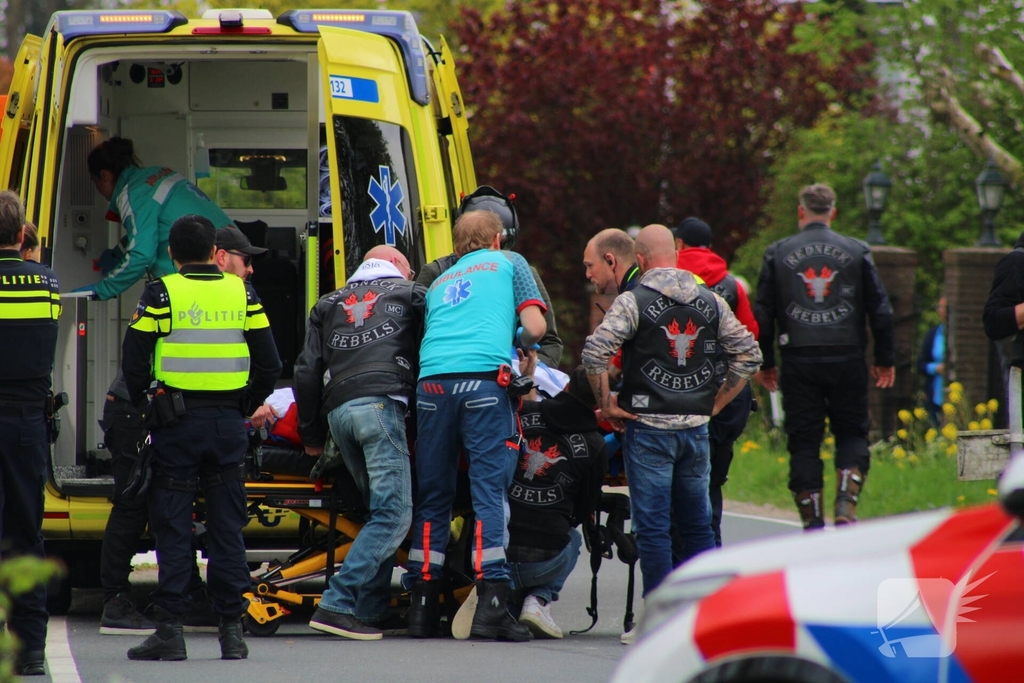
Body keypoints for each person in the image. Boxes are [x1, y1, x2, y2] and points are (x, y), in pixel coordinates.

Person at [121, 215, 281, 661]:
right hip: (228, 425)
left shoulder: (161, 293)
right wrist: (245, 404)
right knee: (227, 527)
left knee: (174, 525)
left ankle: (171, 631)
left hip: (177, 425)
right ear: (215, 252)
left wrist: (148, 403)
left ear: (171, 253)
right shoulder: (242, 292)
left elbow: (133, 361)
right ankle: (232, 633)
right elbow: (270, 362)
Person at [581, 225, 761, 619]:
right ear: (677, 256)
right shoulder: (711, 300)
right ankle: (707, 614)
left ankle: (660, 616)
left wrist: (607, 405)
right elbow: (749, 353)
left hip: (648, 429)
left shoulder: (633, 301)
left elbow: (594, 354)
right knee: (698, 525)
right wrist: (717, 402)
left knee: (653, 527)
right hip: (696, 430)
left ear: (640, 259)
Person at [404, 210, 547, 642]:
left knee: (433, 494)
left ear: (457, 246)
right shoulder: (510, 262)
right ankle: (492, 607)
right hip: (483, 384)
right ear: (497, 239)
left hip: (431, 386)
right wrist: (521, 344)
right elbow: (536, 327)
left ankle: (421, 609)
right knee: (488, 491)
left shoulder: (440, 281)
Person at [294, 245, 424, 641]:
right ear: (397, 266)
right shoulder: (412, 293)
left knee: (377, 512)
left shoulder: (327, 303)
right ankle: (337, 603)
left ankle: (369, 609)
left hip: (340, 413)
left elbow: (306, 371)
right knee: (394, 515)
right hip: (380, 406)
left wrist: (312, 435)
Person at [753, 183, 894, 530]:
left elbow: (763, 314)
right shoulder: (857, 250)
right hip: (847, 354)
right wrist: (884, 358)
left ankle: (813, 519)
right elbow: (881, 310)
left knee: (804, 440)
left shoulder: (777, 252)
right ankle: (846, 501)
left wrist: (766, 362)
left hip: (798, 356)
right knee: (852, 432)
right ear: (833, 212)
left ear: (801, 211)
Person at [452, 364, 608, 640]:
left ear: (566, 387)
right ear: (600, 401)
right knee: (573, 538)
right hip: (546, 562)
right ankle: (539, 600)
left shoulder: (522, 412)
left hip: (494, 554)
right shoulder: (596, 444)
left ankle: (499, 597)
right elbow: (584, 510)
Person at [0, 191, 61, 676]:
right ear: (23, 235)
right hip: (26, 423)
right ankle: (31, 651)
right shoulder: (47, 283)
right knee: (26, 534)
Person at [675, 217, 759, 548]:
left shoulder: (668, 278)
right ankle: (712, 549)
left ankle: (680, 556)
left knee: (681, 480)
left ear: (679, 244)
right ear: (709, 247)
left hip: (679, 390)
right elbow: (751, 332)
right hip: (725, 392)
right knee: (712, 481)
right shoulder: (731, 285)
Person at [416, 186, 563, 368]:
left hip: (440, 373)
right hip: (483, 374)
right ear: (497, 240)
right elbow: (415, 335)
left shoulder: (438, 279)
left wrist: (530, 371)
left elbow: (549, 343)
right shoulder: (436, 272)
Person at [75, 137, 235, 301]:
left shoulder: (131, 194)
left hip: (208, 274)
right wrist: (118, 254)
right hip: (236, 260)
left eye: (95, 182)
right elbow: (151, 229)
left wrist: (102, 289)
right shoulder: (159, 174)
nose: (98, 190)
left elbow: (142, 255)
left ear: (105, 175)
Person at [917, 295, 947, 427]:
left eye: (943, 307)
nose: (940, 311)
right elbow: (920, 364)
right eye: (939, 307)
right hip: (935, 393)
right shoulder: (933, 334)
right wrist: (935, 368)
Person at [583, 228, 640, 296]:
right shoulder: (646, 285)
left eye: (590, 265)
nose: (588, 275)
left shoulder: (631, 298)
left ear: (610, 261)